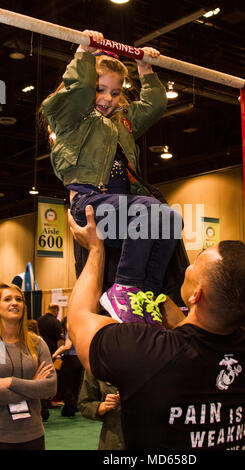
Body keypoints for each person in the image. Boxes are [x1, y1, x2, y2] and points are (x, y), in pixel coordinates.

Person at [66, 205, 245, 450]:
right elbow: (195, 339)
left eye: (195, 265)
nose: (187, 268)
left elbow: (77, 321)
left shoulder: (150, 353)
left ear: (196, 295)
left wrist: (95, 249)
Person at [40, 29, 184, 327]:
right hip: (90, 203)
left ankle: (146, 294)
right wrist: (83, 53)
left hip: (124, 209)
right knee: (147, 208)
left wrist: (145, 69)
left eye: (115, 92)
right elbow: (78, 91)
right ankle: (124, 289)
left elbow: (154, 106)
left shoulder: (123, 122)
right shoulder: (71, 118)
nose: (107, 99)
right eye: (99, 89)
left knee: (170, 219)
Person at [0, 283, 57, 450]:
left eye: (19, 299)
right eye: (7, 299)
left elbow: (50, 387)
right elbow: (39, 388)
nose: (14, 303)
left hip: (34, 435)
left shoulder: (36, 343)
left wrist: (10, 382)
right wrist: (33, 385)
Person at [78, 371, 124, 450]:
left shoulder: (149, 363)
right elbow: (84, 405)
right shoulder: (96, 365)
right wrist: (102, 406)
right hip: (115, 440)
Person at [52, 330, 83, 417]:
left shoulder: (70, 332)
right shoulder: (81, 333)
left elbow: (67, 346)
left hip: (70, 360)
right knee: (75, 385)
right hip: (80, 359)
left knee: (66, 385)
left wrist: (55, 354)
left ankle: (71, 406)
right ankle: (73, 406)